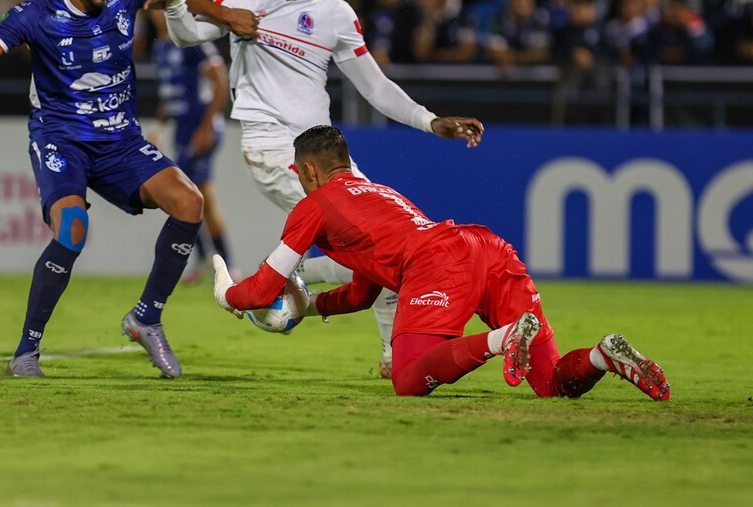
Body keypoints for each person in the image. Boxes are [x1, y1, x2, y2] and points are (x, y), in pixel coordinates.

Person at [161, 0, 484, 378]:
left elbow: (375, 86)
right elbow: (188, 34)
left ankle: (300, 289)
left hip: (329, 155)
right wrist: (175, 7)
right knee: (380, 249)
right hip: (275, 148)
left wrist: (430, 122)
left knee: (387, 254)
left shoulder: (336, 14)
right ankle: (294, 286)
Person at [0, 0, 257, 379]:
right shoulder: (36, 13)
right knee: (73, 229)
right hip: (61, 138)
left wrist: (226, 16)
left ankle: (146, 318)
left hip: (121, 140)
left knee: (189, 202)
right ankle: (27, 351)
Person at [212, 126, 670, 402]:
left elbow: (257, 289)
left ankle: (504, 339)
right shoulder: (378, 193)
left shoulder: (315, 205)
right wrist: (304, 307)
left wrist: (226, 294)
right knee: (551, 383)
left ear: (307, 172)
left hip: (439, 262)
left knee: (409, 381)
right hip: (484, 247)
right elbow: (360, 293)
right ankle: (601, 355)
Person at [148, 9, 233, 280]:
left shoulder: (190, 41)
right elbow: (169, 94)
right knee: (201, 198)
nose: (157, 14)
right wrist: (159, 129)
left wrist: (207, 126)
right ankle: (216, 262)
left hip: (200, 127)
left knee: (180, 194)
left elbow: (220, 79)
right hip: (183, 130)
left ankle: (215, 262)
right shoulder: (160, 48)